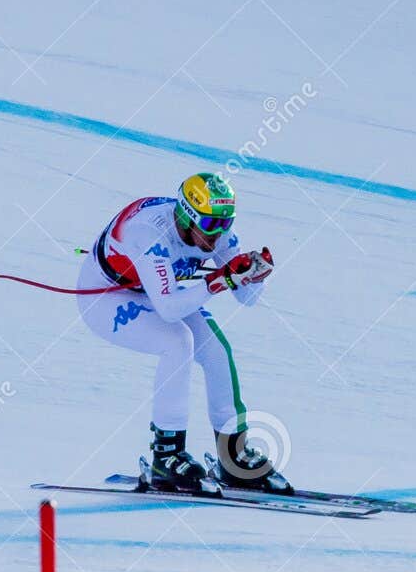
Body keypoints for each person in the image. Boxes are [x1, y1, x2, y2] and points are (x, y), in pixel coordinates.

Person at [76, 172, 279, 493]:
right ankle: (166, 456)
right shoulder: (149, 232)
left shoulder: (218, 232)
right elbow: (170, 309)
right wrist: (219, 281)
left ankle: (233, 457)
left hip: (156, 291)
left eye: (225, 224)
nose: (217, 236)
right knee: (177, 341)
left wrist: (255, 275)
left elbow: (248, 298)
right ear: (187, 216)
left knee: (216, 348)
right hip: (106, 296)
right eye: (210, 225)